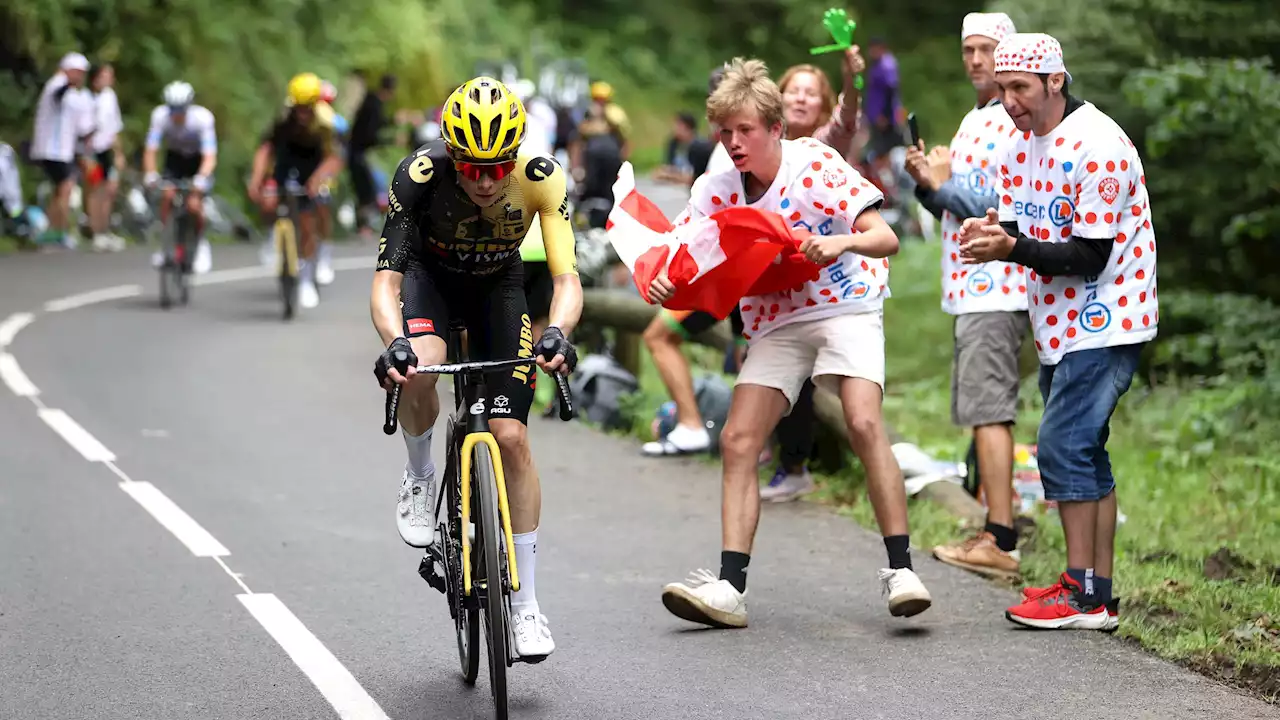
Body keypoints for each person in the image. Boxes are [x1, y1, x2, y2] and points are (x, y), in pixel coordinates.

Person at [655, 58, 932, 628]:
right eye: (725, 132)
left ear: (776, 129)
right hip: (777, 319)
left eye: (745, 131)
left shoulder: (816, 165)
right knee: (737, 438)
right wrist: (665, 278)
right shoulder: (716, 188)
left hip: (846, 302)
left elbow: (886, 238)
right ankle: (729, 589)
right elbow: (681, 254)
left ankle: (901, 570)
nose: (733, 143)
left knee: (861, 420)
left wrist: (841, 244)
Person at [370, 77, 583, 659]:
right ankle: (418, 474)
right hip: (430, 285)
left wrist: (558, 331)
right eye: (471, 168)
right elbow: (386, 282)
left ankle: (527, 606)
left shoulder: (542, 178)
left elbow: (566, 281)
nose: (487, 181)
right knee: (420, 367)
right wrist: (394, 342)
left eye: (498, 167)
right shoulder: (417, 176)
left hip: (499, 290)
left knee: (511, 436)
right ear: (450, 156)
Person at [958, 33, 1157, 630]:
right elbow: (1023, 225)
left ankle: (1080, 593)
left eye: (1019, 87)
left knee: (1063, 447)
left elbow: (1091, 253)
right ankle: (1096, 593)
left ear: (1055, 81)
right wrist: (994, 233)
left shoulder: (1099, 145)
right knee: (1085, 452)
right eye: (1001, 88)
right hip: (1058, 321)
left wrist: (1011, 246)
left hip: (1109, 316)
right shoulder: (1020, 145)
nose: (1009, 100)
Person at [902, 12, 1028, 580]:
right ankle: (997, 518)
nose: (976, 59)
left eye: (986, 49)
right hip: (970, 283)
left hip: (998, 285)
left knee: (988, 410)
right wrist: (927, 184)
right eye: (968, 50)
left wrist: (939, 182)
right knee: (983, 409)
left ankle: (1000, 537)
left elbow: (1000, 203)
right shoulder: (976, 116)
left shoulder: (1014, 117)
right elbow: (954, 205)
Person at [759, 48, 866, 502]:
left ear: (822, 105)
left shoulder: (825, 147)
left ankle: (800, 462)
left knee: (824, 381)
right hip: (769, 281)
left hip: (829, 284)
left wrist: (850, 80)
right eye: (793, 91)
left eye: (811, 94)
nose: (801, 99)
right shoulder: (755, 146)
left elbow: (847, 119)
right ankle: (776, 451)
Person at [247, 72, 343, 310]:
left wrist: (317, 179)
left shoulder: (326, 122)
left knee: (309, 219)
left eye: (307, 108)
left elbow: (335, 158)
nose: (302, 114)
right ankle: (273, 237)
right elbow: (266, 149)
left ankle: (307, 279)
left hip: (314, 165)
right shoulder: (284, 118)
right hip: (287, 163)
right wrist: (257, 179)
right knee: (268, 201)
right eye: (298, 108)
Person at [143, 81, 218, 272]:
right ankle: (166, 244)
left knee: (194, 204)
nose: (176, 114)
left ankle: (200, 245)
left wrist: (201, 178)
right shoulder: (160, 116)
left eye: (181, 110)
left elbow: (210, 156)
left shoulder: (202, 118)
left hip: (198, 161)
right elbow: (151, 149)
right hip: (175, 160)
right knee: (167, 196)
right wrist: (151, 173)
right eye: (173, 109)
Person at [29, 52, 95, 248]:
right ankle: (60, 231)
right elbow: (58, 93)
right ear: (69, 71)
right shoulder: (57, 85)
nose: (81, 78)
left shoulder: (75, 95)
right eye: (78, 73)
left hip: (64, 150)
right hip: (52, 149)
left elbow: (82, 127)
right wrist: (68, 81)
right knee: (66, 187)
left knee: (61, 190)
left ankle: (51, 231)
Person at [84, 63, 125, 252]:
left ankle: (105, 229)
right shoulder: (85, 98)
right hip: (91, 152)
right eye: (106, 75)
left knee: (110, 190)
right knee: (96, 189)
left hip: (107, 150)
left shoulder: (110, 97)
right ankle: (96, 232)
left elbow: (115, 127)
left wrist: (118, 153)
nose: (110, 79)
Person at [348, 74, 396, 236]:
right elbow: (370, 133)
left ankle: (365, 224)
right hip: (359, 152)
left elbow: (377, 124)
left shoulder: (372, 102)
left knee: (366, 187)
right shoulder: (374, 104)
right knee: (366, 188)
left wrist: (394, 121)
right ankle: (364, 225)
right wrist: (391, 140)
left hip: (358, 151)